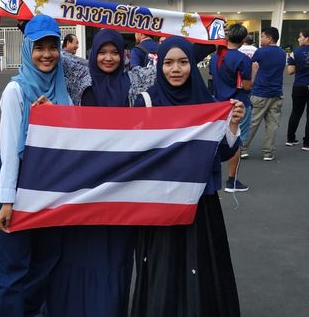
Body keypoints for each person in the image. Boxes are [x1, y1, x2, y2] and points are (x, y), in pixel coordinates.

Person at [131, 36, 245, 317]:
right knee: (163, 263)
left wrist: (232, 124)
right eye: (168, 63)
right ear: (159, 66)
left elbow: (222, 153)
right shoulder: (146, 101)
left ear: (192, 65)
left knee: (201, 262)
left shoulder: (207, 102)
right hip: (158, 202)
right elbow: (131, 151)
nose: (176, 69)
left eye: (183, 62)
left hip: (199, 200)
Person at [48, 29, 139, 317]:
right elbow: (50, 52)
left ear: (124, 54)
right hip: (82, 187)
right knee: (77, 252)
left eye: (115, 52)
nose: (108, 58)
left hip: (120, 189)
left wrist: (203, 28)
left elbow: (186, 60)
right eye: (102, 52)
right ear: (93, 53)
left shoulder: (136, 81)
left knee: (115, 257)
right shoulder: (79, 78)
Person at [0, 15, 72, 317]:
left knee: (45, 262)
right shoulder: (16, 91)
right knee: (13, 269)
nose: (47, 54)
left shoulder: (62, 92)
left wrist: (57, 117)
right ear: (27, 50)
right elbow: (10, 149)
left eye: (53, 47)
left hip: (50, 189)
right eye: (39, 48)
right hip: (17, 187)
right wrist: (8, 201)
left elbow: (73, 140)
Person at [209, 23, 252, 192]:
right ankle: (232, 180)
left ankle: (214, 173)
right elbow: (247, 86)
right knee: (236, 141)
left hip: (218, 103)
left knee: (217, 139)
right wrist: (254, 71)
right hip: (238, 103)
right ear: (243, 39)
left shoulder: (215, 57)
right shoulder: (243, 59)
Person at [241, 27, 286, 161]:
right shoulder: (282, 53)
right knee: (272, 125)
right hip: (277, 92)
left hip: (260, 92)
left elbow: (254, 67)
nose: (261, 39)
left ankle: (243, 149)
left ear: (269, 38)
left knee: (252, 122)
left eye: (262, 36)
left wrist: (252, 82)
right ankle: (268, 152)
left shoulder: (260, 52)